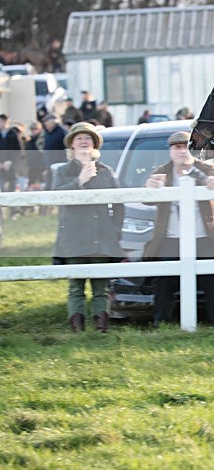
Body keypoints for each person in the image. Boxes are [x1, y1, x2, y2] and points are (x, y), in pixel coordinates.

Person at [143, 131, 214, 329]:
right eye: (177, 147)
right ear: (170, 151)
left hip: (203, 237)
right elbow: (147, 198)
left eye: (186, 146)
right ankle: (161, 326)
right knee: (164, 284)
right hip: (170, 238)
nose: (182, 151)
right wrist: (149, 186)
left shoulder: (204, 168)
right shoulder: (162, 171)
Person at [52, 123, 124, 332]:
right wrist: (79, 181)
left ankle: (101, 328)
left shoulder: (105, 171)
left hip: (102, 237)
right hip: (73, 238)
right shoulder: (63, 171)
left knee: (101, 287)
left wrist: (115, 230)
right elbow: (57, 197)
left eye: (88, 138)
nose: (84, 142)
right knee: (76, 286)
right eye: (79, 138)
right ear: (72, 145)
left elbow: (120, 203)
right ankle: (77, 329)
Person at [0, 114, 20, 194]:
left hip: (11, 166)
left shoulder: (13, 134)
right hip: (1, 166)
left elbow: (17, 150)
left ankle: (13, 206)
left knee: (12, 187)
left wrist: (10, 161)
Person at [25, 121, 45, 189]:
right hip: (32, 166)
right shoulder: (29, 142)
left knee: (43, 184)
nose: (34, 131)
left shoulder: (43, 140)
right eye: (32, 129)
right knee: (30, 185)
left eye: (35, 129)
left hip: (41, 166)